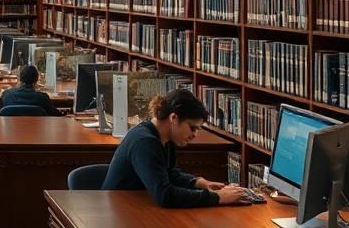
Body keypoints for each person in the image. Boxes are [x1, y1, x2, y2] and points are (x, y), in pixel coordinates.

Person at [100, 88, 251, 207]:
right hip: (121, 212)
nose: (194, 135)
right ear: (173, 118)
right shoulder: (145, 142)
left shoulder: (164, 137)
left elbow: (170, 173)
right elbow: (165, 195)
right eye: (192, 128)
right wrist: (217, 198)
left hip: (137, 206)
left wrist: (199, 183)